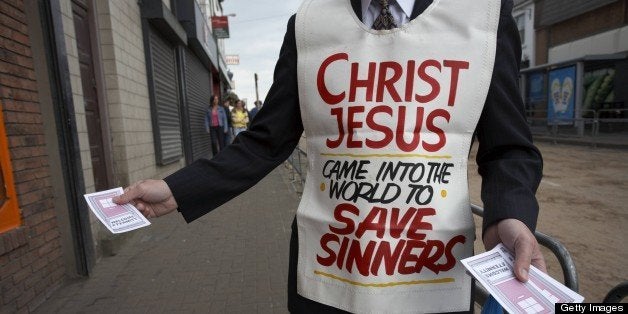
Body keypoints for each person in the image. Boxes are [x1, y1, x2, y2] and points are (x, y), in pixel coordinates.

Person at [114, 0, 546, 312]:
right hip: (326, 276)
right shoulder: (308, 25)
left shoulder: (483, 17)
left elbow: (508, 147)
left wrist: (508, 217)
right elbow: (265, 140)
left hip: (429, 274)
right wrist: (175, 190)